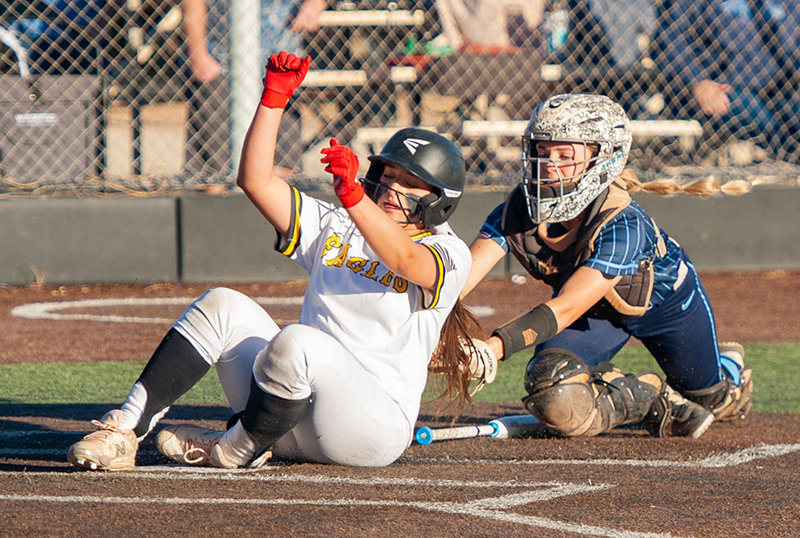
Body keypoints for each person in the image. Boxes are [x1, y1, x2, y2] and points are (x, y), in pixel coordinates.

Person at [66, 51, 491, 470]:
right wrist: (273, 99)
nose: (392, 189)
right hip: (286, 412)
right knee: (222, 304)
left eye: (411, 184)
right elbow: (255, 181)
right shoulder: (342, 222)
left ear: (439, 203)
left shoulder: (448, 251)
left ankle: (233, 448)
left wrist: (354, 199)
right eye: (390, 176)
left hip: (372, 430)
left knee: (297, 342)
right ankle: (122, 430)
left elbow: (403, 259)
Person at [460, 93, 753, 439]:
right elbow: (456, 282)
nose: (548, 165)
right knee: (552, 387)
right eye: (542, 152)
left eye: (565, 155)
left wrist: (493, 348)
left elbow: (567, 306)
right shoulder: (517, 211)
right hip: (595, 314)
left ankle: (730, 369)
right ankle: (649, 396)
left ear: (603, 159)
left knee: (712, 401)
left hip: (665, 307)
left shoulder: (624, 223)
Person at [181, 0, 328, 178]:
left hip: (280, 68)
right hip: (220, 64)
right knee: (214, 173)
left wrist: (316, 3)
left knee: (283, 171)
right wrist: (198, 54)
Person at [652, 0, 800, 163]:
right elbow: (668, 41)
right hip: (721, 88)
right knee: (768, 127)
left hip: (779, 87)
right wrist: (697, 82)